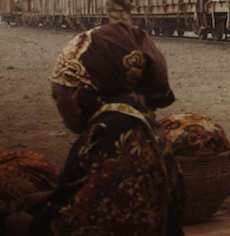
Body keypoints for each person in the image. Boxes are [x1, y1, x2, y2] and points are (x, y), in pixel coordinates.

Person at [2, 22, 183, 235]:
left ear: (81, 94)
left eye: (57, 95)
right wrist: (54, 195)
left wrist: (22, 224)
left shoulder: (110, 131)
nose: (57, 104)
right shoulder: (140, 121)